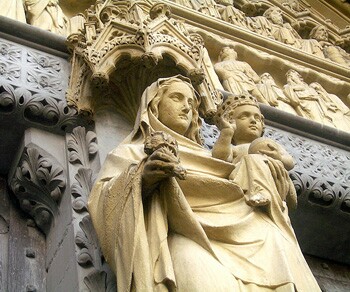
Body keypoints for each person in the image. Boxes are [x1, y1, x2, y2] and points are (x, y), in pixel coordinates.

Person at [88, 75, 320, 291]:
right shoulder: (132, 151)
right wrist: (144, 178)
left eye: (191, 102)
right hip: (188, 235)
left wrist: (274, 186)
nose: (187, 107)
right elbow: (104, 201)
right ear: (154, 105)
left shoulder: (215, 158)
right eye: (177, 98)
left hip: (253, 235)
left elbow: (250, 190)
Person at [212, 93, 297, 208]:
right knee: (252, 159)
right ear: (231, 121)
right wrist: (227, 132)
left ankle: (263, 192)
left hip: (276, 178)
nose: (253, 121)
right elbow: (219, 159)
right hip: (244, 185)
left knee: (255, 159)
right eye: (244, 116)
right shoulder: (234, 149)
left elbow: (290, 163)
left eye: (257, 118)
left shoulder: (270, 144)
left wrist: (279, 157)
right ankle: (259, 191)